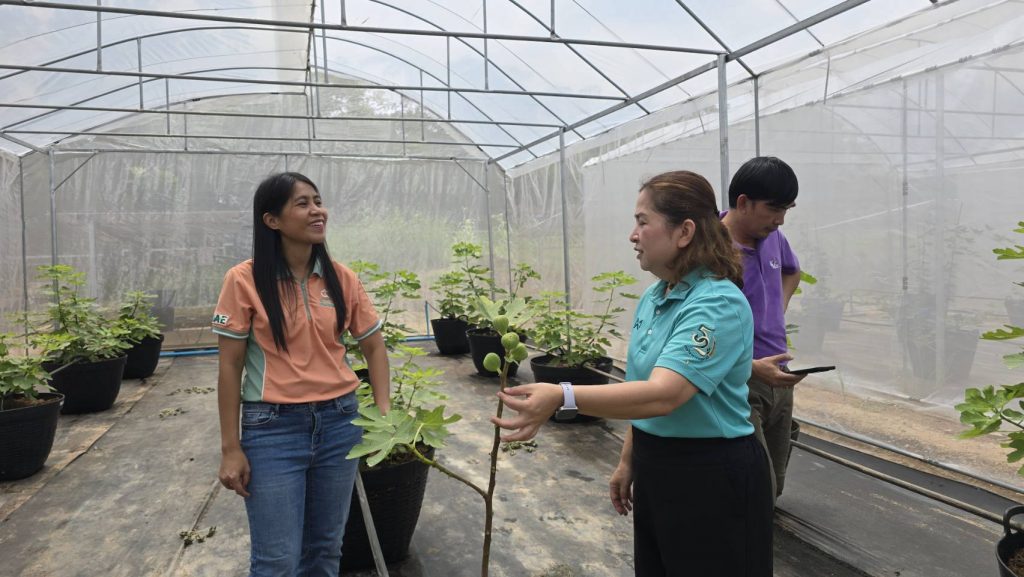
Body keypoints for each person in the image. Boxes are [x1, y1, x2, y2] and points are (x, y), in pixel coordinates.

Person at [493, 171, 773, 577]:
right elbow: (640, 387)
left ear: (684, 232)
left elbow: (664, 394)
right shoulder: (655, 296)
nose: (633, 235)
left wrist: (563, 395)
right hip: (658, 464)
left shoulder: (717, 303)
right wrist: (629, 459)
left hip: (712, 473)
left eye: (643, 221)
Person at [212, 172, 390, 577]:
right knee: (277, 560)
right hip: (273, 429)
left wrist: (383, 414)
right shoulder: (244, 280)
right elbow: (230, 366)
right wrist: (230, 447)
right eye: (303, 203)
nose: (317, 211)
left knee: (325, 550)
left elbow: (374, 346)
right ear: (272, 220)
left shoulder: (341, 278)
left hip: (340, 424)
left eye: (318, 201)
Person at [720, 156, 804, 499]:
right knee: (756, 486)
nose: (780, 219)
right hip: (737, 381)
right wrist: (750, 366)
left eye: (786, 209)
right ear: (743, 202)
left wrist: (775, 312)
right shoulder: (712, 248)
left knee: (775, 483)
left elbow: (792, 271)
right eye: (774, 209)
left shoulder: (774, 238)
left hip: (779, 374)